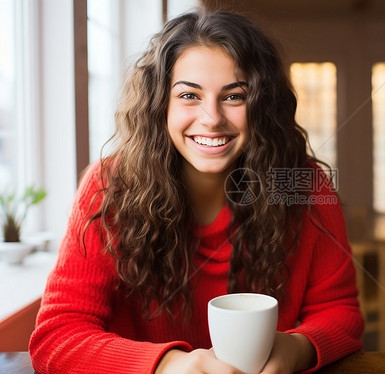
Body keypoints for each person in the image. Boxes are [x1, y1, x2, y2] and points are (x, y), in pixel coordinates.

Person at [29, 10, 364, 374]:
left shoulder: (305, 187)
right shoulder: (110, 187)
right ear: (161, 106)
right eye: (189, 95)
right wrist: (167, 366)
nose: (211, 117)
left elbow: (340, 312)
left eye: (234, 97)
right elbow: (57, 337)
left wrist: (296, 348)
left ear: (262, 107)